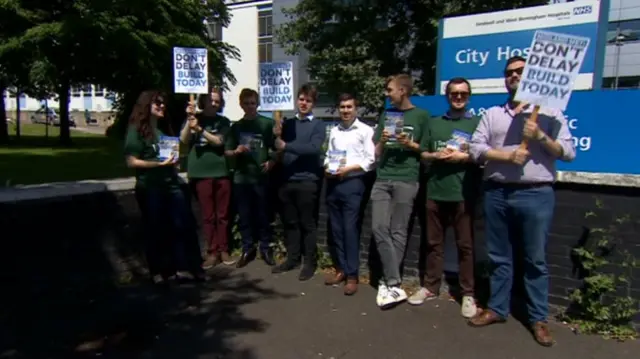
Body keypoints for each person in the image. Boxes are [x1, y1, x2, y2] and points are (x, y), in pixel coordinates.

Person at [468, 55, 576, 347]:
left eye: (520, 72)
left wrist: (539, 135)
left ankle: (538, 318)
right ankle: (497, 308)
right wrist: (506, 156)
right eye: (509, 73)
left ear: (531, 77)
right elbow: (476, 147)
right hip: (497, 192)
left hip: (535, 194)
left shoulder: (550, 113)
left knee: (534, 259)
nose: (514, 76)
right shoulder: (493, 114)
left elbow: (568, 152)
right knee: (498, 257)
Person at [408, 77, 481, 318]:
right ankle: (430, 287)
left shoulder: (477, 124)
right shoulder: (434, 123)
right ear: (447, 96)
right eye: (453, 93)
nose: (458, 97)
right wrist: (434, 155)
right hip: (435, 191)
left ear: (468, 96)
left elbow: (484, 156)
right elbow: (423, 153)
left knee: (465, 246)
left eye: (462, 94)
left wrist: (466, 158)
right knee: (433, 244)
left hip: (463, 193)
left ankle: (468, 294)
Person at [124, 90, 206, 285]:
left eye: (163, 104)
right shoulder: (136, 131)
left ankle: (181, 267)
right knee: (154, 229)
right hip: (151, 187)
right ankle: (157, 271)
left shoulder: (161, 131)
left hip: (171, 185)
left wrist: (189, 119)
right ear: (146, 106)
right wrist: (158, 165)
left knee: (181, 225)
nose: (162, 106)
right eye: (157, 104)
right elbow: (131, 161)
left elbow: (182, 144)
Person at [371, 74, 430, 309]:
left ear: (403, 91)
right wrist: (384, 141)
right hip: (383, 177)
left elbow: (427, 151)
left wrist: (411, 145)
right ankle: (394, 282)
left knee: (398, 230)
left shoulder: (422, 116)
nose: (387, 93)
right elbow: (376, 152)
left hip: (407, 178)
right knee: (378, 227)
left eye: (390, 89)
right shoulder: (387, 115)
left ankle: (389, 283)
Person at [271, 84, 326, 281]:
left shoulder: (318, 125)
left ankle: (309, 263)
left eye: (308, 100)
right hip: (287, 180)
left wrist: (287, 145)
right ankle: (292, 258)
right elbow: (276, 147)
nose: (304, 103)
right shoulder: (287, 123)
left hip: (307, 181)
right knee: (290, 223)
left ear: (313, 103)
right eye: (301, 99)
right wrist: (276, 134)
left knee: (307, 224)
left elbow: (313, 148)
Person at [323, 93, 375, 295]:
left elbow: (370, 160)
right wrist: (328, 167)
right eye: (342, 107)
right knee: (336, 229)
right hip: (334, 183)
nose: (345, 110)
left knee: (349, 229)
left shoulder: (365, 131)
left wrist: (349, 169)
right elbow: (329, 154)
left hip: (353, 183)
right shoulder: (334, 130)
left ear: (356, 108)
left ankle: (353, 275)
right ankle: (341, 269)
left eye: (349, 107)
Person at [180, 88, 234, 269]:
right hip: (200, 173)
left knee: (223, 215)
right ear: (204, 101)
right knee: (208, 216)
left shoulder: (224, 121)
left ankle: (224, 249)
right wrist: (190, 122)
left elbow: (219, 141)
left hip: (221, 172)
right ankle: (212, 252)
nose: (214, 104)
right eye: (211, 100)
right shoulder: (195, 118)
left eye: (217, 101)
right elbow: (184, 139)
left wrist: (200, 130)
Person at [225, 88, 276, 268]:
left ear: (257, 104)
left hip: (260, 177)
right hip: (241, 178)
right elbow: (227, 151)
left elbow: (276, 148)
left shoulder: (267, 124)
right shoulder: (236, 127)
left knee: (263, 215)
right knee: (245, 216)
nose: (249, 106)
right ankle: (248, 248)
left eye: (253, 103)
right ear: (241, 104)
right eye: (246, 103)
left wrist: (271, 162)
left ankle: (265, 247)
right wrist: (236, 151)